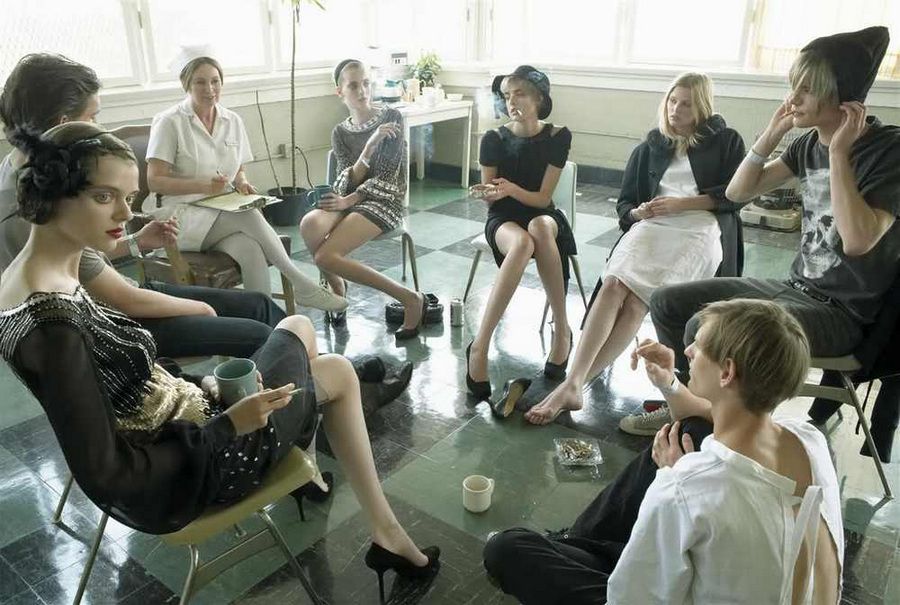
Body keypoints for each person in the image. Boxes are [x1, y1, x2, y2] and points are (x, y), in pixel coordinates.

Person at [0, 122, 439, 602]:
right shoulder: (52, 325)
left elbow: (123, 383)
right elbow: (111, 479)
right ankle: (339, 480)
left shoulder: (41, 274)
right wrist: (228, 424)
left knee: (322, 359)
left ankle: (371, 514)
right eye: (107, 197)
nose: (126, 214)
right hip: (187, 476)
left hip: (185, 423)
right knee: (307, 341)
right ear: (53, 192)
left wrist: (198, 387)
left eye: (128, 197)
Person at [484, 299, 843, 604]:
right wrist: (669, 382)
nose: (687, 351)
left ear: (727, 372)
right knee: (693, 429)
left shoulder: (683, 490)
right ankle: (582, 544)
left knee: (507, 549)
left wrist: (677, 476)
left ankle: (577, 547)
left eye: (698, 346)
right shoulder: (809, 439)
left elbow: (633, 598)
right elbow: (714, 417)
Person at [644, 26, 900, 447]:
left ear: (842, 95)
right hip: (796, 288)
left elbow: (858, 241)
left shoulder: (888, 150)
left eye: (806, 89)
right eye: (792, 87)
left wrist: (839, 152)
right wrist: (771, 135)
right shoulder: (806, 145)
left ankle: (705, 427)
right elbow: (737, 192)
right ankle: (699, 411)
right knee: (667, 302)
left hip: (844, 316)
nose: (793, 98)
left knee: (702, 329)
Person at [0, 53, 287, 359]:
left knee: (258, 305)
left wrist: (138, 241)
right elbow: (125, 300)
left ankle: (312, 369)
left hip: (120, 294)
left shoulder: (22, 170)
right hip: (116, 326)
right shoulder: (42, 204)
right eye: (93, 117)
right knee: (262, 335)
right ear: (65, 124)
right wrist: (201, 308)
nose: (100, 128)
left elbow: (86, 258)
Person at [526, 73, 746, 427]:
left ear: (702, 106)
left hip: (699, 227)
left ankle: (576, 383)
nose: (676, 109)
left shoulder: (726, 141)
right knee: (614, 283)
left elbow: (735, 198)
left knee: (638, 303)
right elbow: (625, 204)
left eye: (686, 103)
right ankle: (573, 382)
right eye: (673, 101)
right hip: (653, 225)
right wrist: (638, 213)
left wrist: (682, 204)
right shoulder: (651, 145)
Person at [146, 48, 346, 313]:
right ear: (186, 84)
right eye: (200, 82)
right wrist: (203, 186)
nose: (210, 89)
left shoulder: (232, 120)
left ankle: (263, 326)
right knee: (247, 214)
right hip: (181, 217)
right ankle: (301, 284)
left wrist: (241, 182)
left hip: (221, 213)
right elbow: (155, 181)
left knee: (251, 251)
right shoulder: (169, 122)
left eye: (215, 81)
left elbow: (238, 169)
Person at [466, 65, 575, 406]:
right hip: (505, 218)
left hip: (542, 214)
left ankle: (562, 329)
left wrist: (510, 188)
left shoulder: (558, 137)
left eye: (521, 93)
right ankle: (480, 344)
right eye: (507, 95)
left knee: (540, 228)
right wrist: (487, 192)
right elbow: (491, 199)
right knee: (524, 240)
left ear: (539, 98)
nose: (512, 101)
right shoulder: (494, 139)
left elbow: (543, 200)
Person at [299, 59, 425, 340]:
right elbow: (346, 180)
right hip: (350, 198)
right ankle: (338, 286)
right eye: (353, 85)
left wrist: (349, 200)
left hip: (384, 200)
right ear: (340, 92)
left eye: (366, 83)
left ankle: (409, 298)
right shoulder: (340, 133)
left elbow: (389, 176)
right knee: (309, 225)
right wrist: (368, 148)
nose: (362, 90)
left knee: (326, 255)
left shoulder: (391, 116)